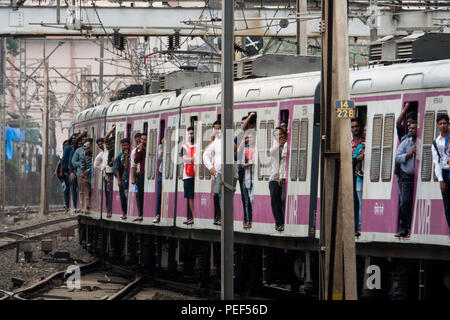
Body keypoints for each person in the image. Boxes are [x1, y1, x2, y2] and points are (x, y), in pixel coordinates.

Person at [395, 121, 417, 238]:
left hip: (418, 178)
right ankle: (406, 227)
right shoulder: (405, 143)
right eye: (410, 129)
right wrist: (410, 154)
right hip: (406, 176)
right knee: (405, 202)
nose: (411, 130)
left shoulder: (422, 142)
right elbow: (398, 158)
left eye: (414, 128)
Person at [432, 114, 450, 235]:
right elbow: (436, 162)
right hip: (445, 173)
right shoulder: (436, 143)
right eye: (440, 123)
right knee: (448, 206)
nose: (443, 125)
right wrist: (441, 181)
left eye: (445, 123)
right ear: (438, 126)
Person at [203, 123, 222, 225]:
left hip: (227, 173)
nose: (217, 131)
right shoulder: (215, 142)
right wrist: (211, 168)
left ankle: (221, 217)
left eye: (219, 129)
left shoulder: (227, 140)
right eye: (215, 129)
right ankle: (219, 217)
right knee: (216, 196)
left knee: (220, 196)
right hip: (218, 174)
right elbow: (205, 155)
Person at [269, 127, 287, 232]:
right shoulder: (274, 146)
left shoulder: (287, 145)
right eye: (277, 135)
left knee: (283, 201)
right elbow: (270, 152)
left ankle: (283, 222)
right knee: (275, 202)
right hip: (274, 179)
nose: (280, 136)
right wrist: (279, 145)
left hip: (283, 178)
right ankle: (278, 223)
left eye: (281, 134)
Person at [351, 118, 365, 235]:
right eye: (353, 127)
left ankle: (359, 227)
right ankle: (354, 228)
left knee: (360, 203)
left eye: (356, 126)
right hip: (350, 176)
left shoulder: (365, 141)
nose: (355, 129)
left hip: (361, 176)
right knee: (353, 203)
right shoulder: (348, 142)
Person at [181, 127, 197, 225]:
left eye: (192, 133)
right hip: (188, 174)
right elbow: (184, 159)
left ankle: (195, 216)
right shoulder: (184, 147)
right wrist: (193, 158)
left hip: (197, 175)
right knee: (190, 197)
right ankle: (193, 216)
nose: (191, 135)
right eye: (190, 133)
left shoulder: (198, 145)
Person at [241, 131, 256, 229]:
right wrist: (251, 163)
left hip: (255, 179)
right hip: (247, 178)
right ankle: (249, 220)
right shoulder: (245, 150)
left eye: (251, 137)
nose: (249, 139)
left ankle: (253, 220)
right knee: (247, 202)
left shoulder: (257, 149)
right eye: (247, 138)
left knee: (252, 200)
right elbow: (242, 164)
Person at [72, 130, 88, 213]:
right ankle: (82, 206)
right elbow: (73, 162)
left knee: (87, 190)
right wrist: (80, 164)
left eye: (86, 139)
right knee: (81, 190)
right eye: (83, 140)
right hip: (80, 173)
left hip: (89, 173)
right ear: (81, 141)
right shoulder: (78, 151)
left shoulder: (91, 149)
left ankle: (87, 206)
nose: (84, 141)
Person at [114, 138, 130, 220]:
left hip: (129, 179)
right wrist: (119, 180)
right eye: (123, 145)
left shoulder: (131, 154)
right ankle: (124, 212)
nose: (125, 147)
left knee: (128, 196)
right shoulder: (119, 156)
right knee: (123, 196)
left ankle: (128, 212)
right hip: (123, 179)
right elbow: (117, 169)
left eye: (126, 145)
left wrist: (127, 156)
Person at [102, 125, 116, 218]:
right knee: (107, 194)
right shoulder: (105, 150)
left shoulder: (112, 151)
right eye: (106, 144)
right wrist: (112, 130)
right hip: (106, 174)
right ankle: (108, 210)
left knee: (111, 194)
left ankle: (111, 210)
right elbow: (105, 138)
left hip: (112, 174)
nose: (107, 145)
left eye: (109, 144)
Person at [133, 132, 147, 222]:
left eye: (144, 139)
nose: (143, 141)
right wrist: (139, 150)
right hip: (141, 174)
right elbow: (136, 160)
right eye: (142, 139)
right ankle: (140, 213)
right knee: (139, 193)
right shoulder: (139, 149)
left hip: (147, 173)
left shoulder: (149, 148)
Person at [353, 137, 365, 237]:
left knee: (361, 205)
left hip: (364, 181)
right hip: (360, 180)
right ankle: (360, 227)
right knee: (360, 204)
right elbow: (353, 159)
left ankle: (361, 227)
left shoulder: (361, 146)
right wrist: (359, 158)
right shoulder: (360, 147)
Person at [80, 140, 93, 214]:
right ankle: (87, 207)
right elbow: (82, 166)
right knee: (87, 192)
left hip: (93, 175)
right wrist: (84, 176)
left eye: (87, 148)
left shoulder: (94, 154)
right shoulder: (84, 156)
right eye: (85, 149)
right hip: (87, 176)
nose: (86, 150)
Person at [154, 136, 165, 224]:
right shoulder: (160, 147)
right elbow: (158, 159)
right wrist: (164, 147)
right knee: (159, 194)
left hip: (169, 173)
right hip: (162, 172)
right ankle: (157, 214)